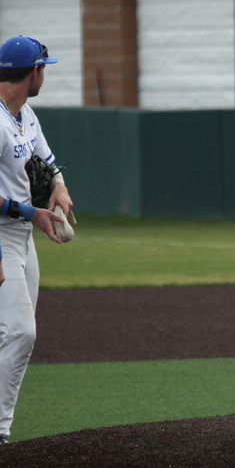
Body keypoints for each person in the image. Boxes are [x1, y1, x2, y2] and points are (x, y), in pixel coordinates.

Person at [0, 35, 71, 445]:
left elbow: (47, 161)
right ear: (35, 72)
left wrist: (59, 186)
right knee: (21, 332)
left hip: (22, 236)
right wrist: (32, 212)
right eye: (45, 68)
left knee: (12, 333)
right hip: (2, 235)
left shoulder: (25, 114)